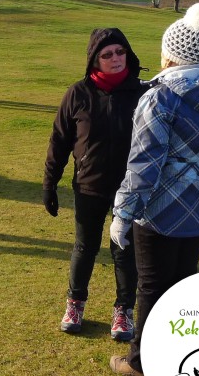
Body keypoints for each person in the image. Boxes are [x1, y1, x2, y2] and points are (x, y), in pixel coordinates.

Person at [108, 3, 199, 376]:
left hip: (159, 209)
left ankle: (141, 362)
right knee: (184, 281)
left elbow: (144, 164)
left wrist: (123, 213)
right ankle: (178, 352)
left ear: (171, 54)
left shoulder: (160, 97)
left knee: (152, 285)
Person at [44, 28, 148, 341]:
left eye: (120, 52)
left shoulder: (142, 93)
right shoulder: (78, 93)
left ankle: (123, 310)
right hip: (89, 185)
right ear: (94, 59)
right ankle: (75, 304)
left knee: (124, 250)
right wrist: (50, 182)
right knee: (85, 247)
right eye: (107, 54)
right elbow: (60, 140)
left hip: (130, 189)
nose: (116, 58)